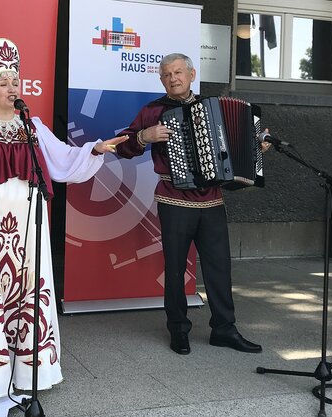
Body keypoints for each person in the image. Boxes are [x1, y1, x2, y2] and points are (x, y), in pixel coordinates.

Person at [0, 38, 126, 398]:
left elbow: (62, 161)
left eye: (15, 81)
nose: (12, 87)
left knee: (27, 287)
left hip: (28, 221)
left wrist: (93, 149)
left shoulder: (32, 128)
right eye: (3, 82)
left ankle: (25, 368)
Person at [115, 53, 270, 355]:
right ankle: (178, 329)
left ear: (191, 74)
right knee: (175, 269)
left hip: (212, 200)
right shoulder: (153, 110)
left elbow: (233, 155)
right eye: (166, 74)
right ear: (161, 79)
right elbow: (122, 146)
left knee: (219, 267)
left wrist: (256, 148)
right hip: (173, 198)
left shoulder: (213, 108)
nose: (172, 78)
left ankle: (224, 329)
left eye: (178, 72)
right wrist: (144, 137)